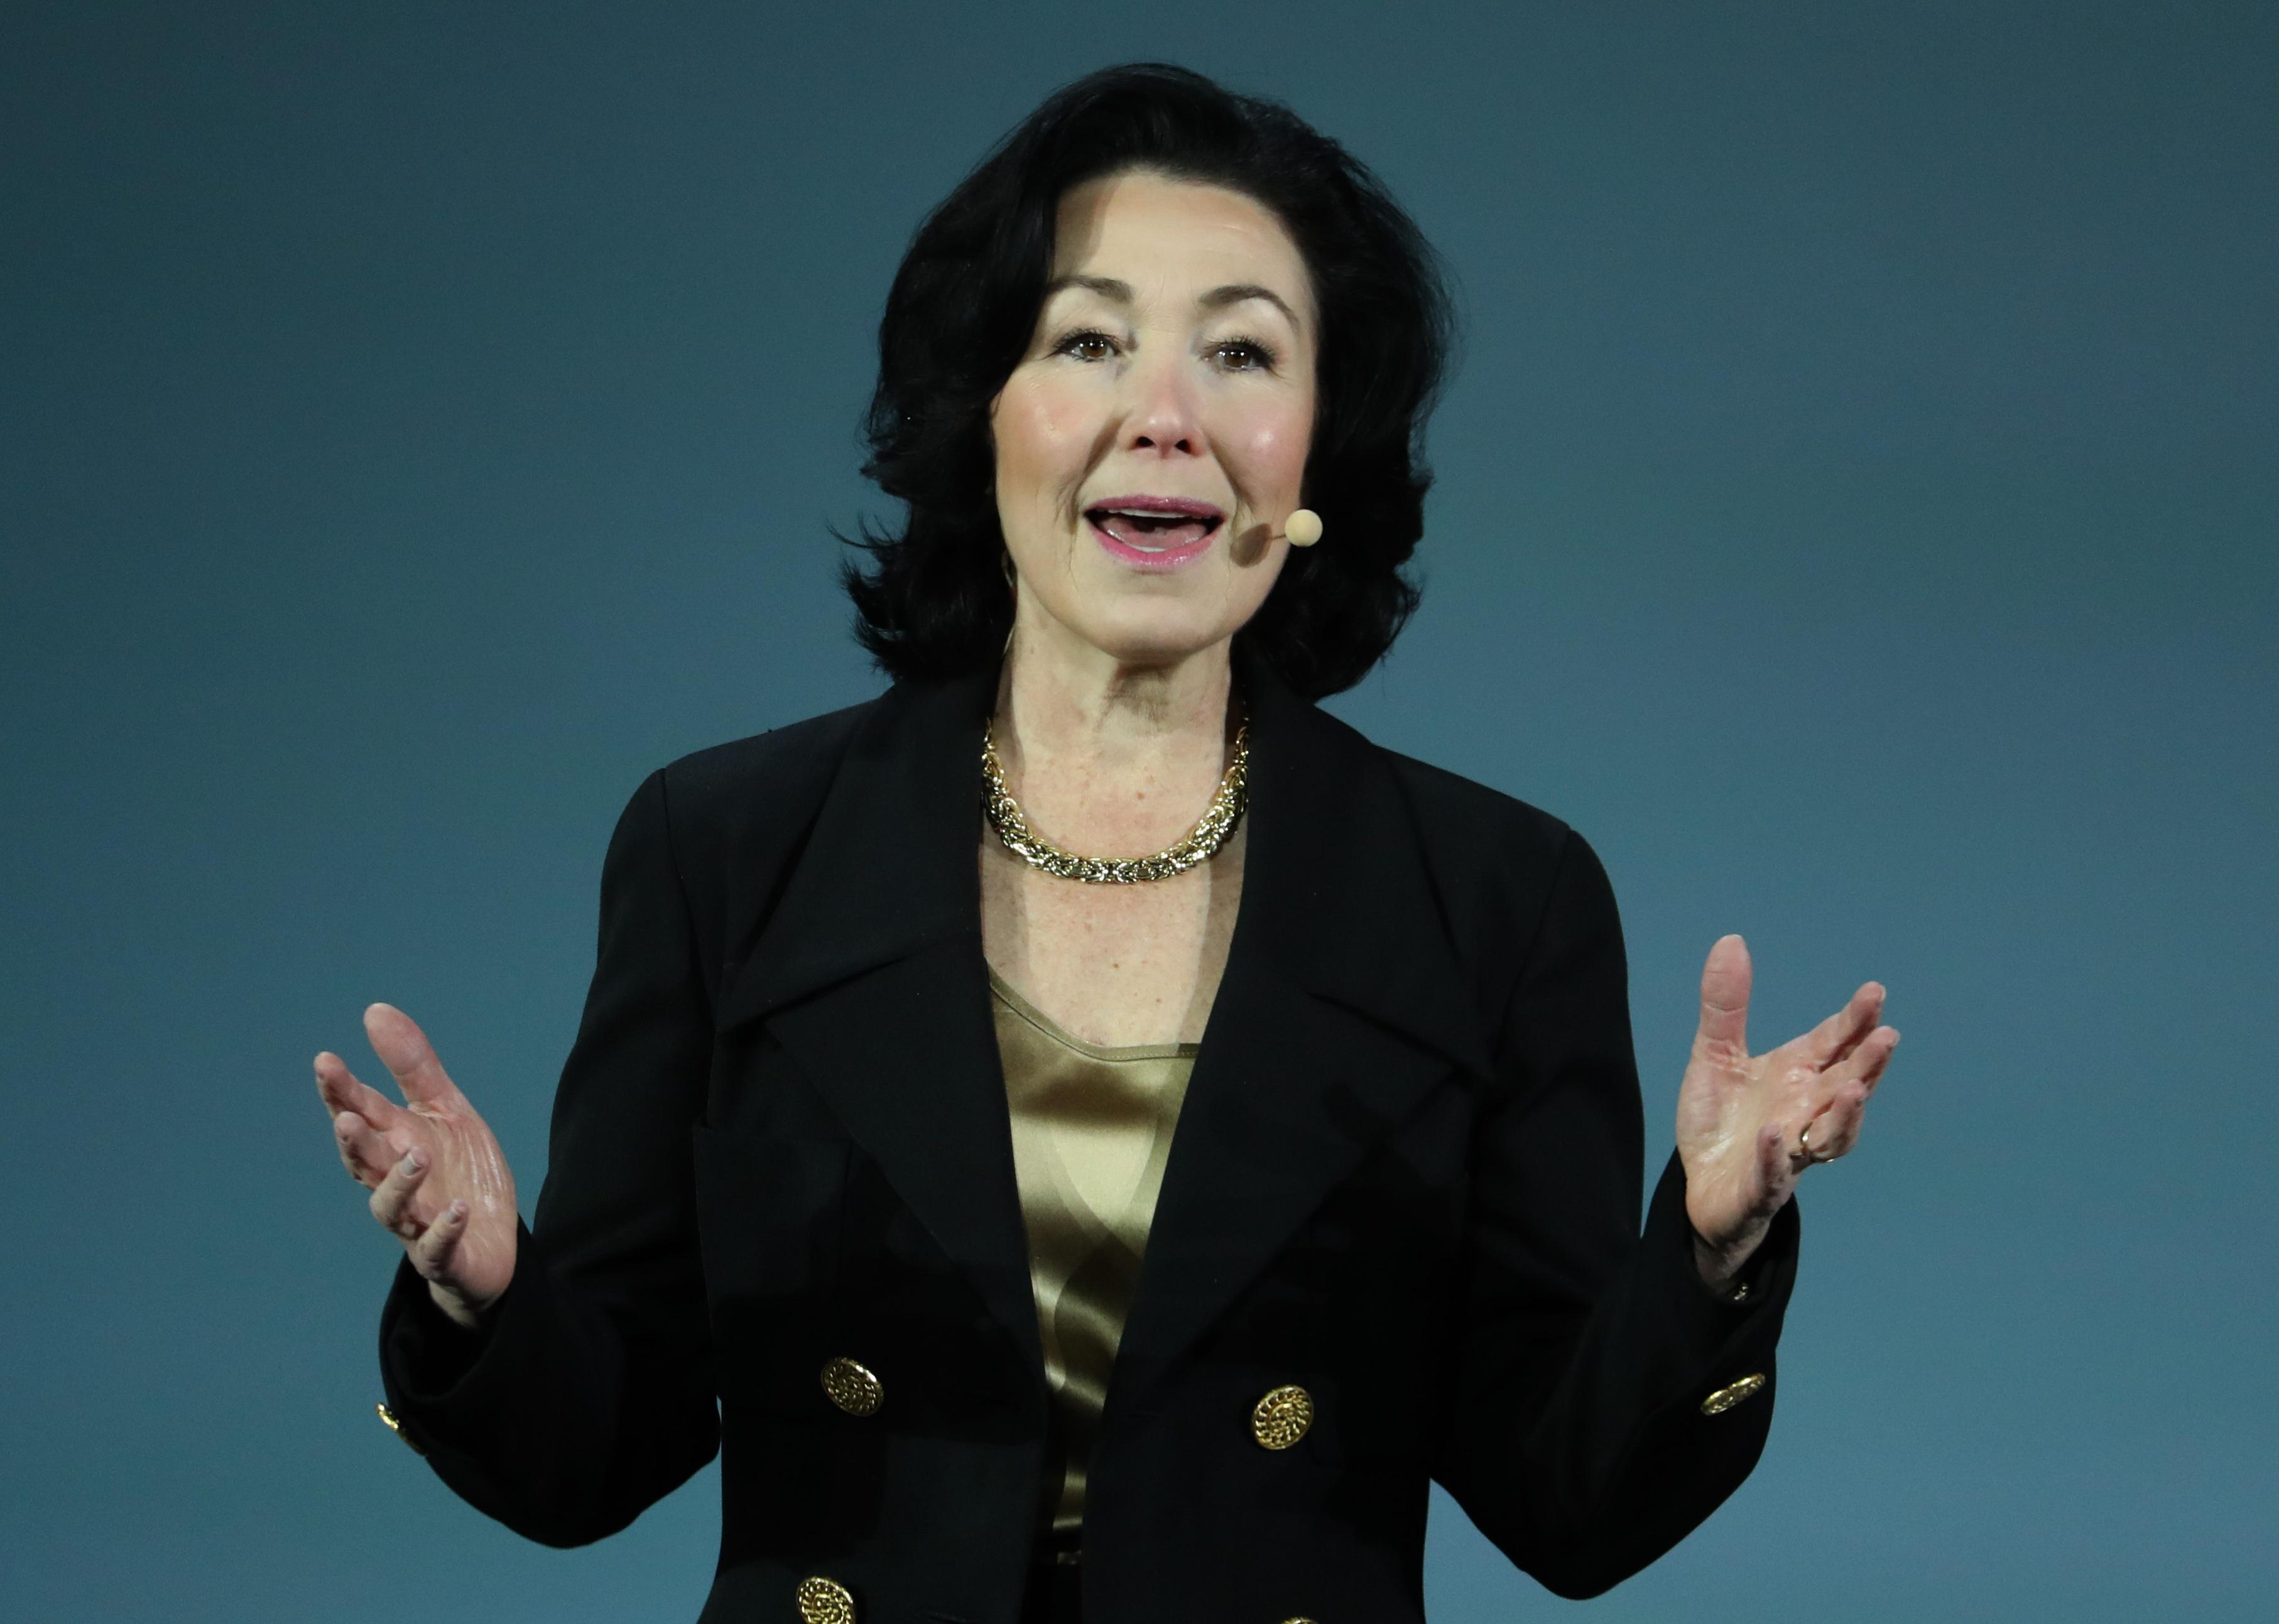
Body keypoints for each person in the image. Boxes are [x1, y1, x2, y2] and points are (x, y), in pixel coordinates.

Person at [313, 63, 1898, 1624]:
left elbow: (1570, 1509)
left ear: (1316, 452)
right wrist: (485, 1292)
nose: (1165, 418)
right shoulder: (726, 850)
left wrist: (1704, 1255)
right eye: (1089, 340)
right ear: (982, 415)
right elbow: (595, 1457)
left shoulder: (1496, 898)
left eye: (1239, 354)